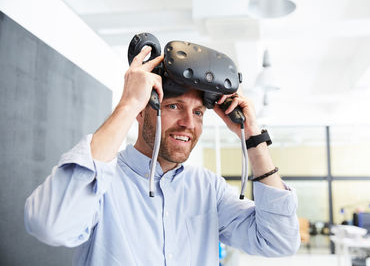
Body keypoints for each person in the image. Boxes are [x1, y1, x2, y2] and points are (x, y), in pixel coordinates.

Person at [24, 46, 300, 266]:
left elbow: (279, 241)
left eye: (198, 113)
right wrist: (129, 102)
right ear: (144, 109)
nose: (188, 123)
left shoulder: (208, 188)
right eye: (174, 106)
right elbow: (51, 225)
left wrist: (253, 137)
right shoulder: (104, 182)